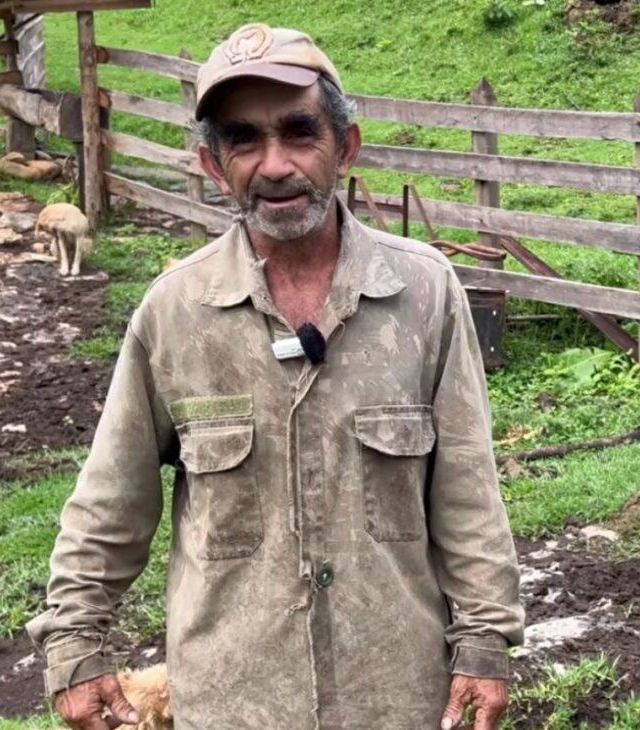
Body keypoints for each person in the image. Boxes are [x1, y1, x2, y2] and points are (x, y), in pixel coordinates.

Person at [27, 22, 524, 730]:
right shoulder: (175, 312)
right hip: (233, 697)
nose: (275, 165)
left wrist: (483, 643)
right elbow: (111, 500)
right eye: (244, 141)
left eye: (299, 133)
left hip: (395, 693)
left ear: (344, 148)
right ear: (211, 164)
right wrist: (76, 646)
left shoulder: (422, 293)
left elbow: (469, 491)